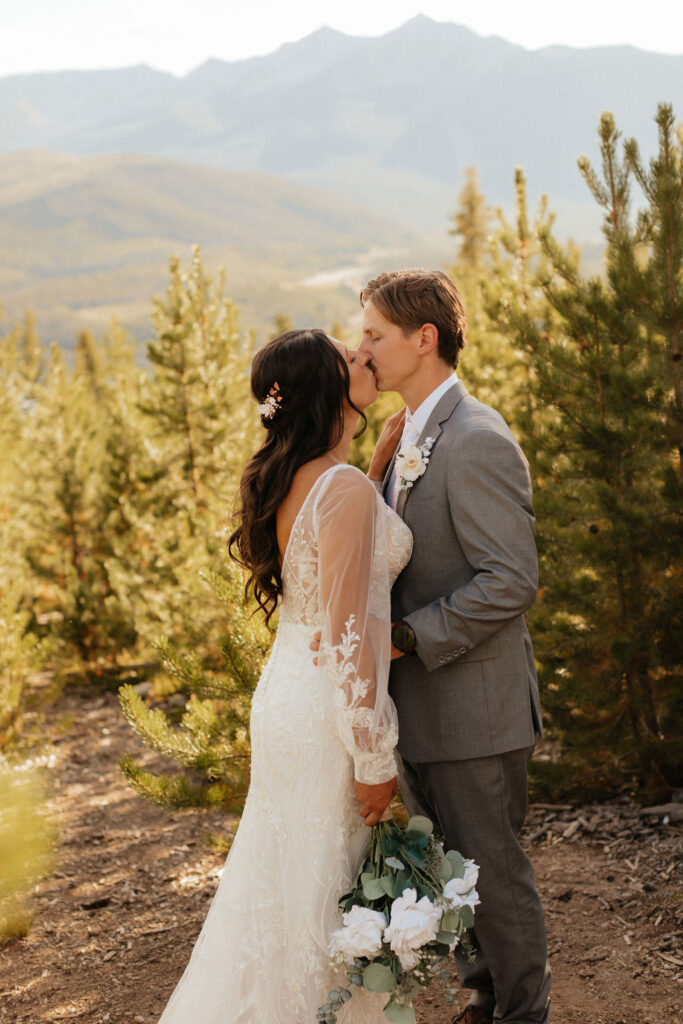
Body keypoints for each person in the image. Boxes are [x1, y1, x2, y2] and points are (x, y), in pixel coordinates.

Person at [155, 329, 412, 1024]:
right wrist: (373, 755)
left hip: (286, 696)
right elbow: (352, 636)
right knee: (323, 897)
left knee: (282, 885)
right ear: (329, 390)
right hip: (330, 709)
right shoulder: (341, 489)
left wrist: (375, 464)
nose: (363, 357)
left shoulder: (303, 478)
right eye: (349, 358)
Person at [357, 270, 551, 1024]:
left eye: (374, 335)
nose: (363, 349)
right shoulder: (405, 435)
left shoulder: (473, 439)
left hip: (476, 706)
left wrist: (407, 637)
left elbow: (511, 579)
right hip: (420, 706)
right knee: (449, 870)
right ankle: (483, 996)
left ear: (422, 339)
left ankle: (523, 1014)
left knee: (493, 876)